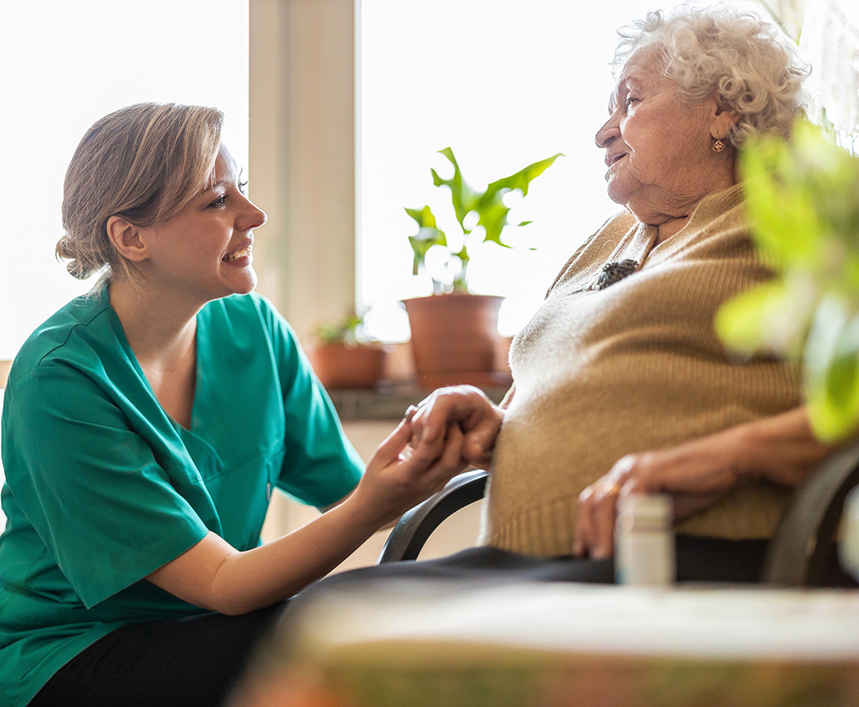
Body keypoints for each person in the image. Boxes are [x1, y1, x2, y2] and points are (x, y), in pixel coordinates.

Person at [303, 2, 835, 593]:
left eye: (631, 101)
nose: (604, 131)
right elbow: (614, 390)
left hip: (684, 554)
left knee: (328, 623)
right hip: (533, 562)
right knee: (320, 614)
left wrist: (733, 455)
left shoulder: (802, 217)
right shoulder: (606, 243)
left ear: (722, 108)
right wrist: (499, 424)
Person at [0, 103, 469, 707]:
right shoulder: (62, 378)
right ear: (131, 237)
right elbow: (223, 582)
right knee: (328, 640)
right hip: (70, 654)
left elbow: (349, 489)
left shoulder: (254, 328)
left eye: (244, 192)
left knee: (394, 615)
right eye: (216, 201)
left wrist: (451, 435)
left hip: (207, 627)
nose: (254, 216)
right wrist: (372, 505)